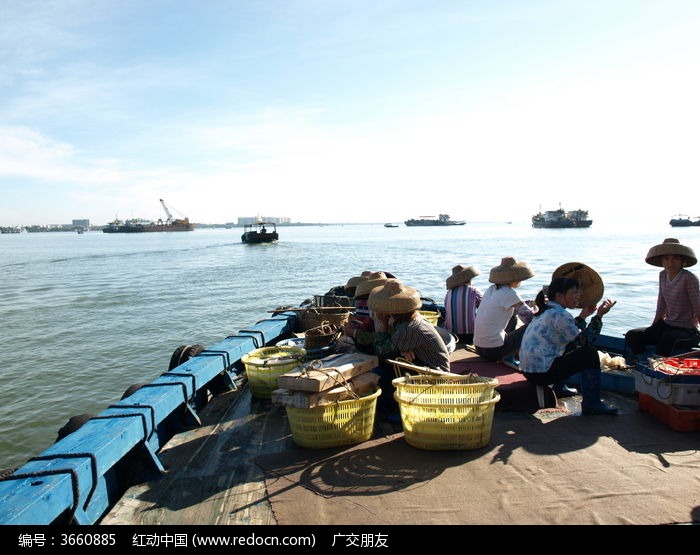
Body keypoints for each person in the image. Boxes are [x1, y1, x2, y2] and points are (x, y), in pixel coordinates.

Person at [519, 277, 618, 415]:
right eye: (574, 292)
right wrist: (599, 316)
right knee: (589, 353)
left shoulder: (547, 311)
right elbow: (585, 341)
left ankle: (559, 388)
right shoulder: (560, 314)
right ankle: (592, 403)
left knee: (569, 347)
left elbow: (571, 336)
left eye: (579, 292)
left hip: (529, 371)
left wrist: (583, 316)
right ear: (559, 296)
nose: (579, 296)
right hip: (541, 373)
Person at [625, 238, 700, 357]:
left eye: (675, 258)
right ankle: (642, 362)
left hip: (687, 330)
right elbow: (661, 305)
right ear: (662, 261)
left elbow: (697, 308)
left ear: (682, 261)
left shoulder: (689, 278)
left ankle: (659, 369)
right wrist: (652, 328)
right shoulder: (663, 275)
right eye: (666, 258)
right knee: (632, 335)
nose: (670, 262)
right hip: (667, 324)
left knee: (667, 338)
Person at [473, 256, 536, 364]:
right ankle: (526, 357)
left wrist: (531, 303)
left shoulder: (491, 289)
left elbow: (513, 304)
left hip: (479, 348)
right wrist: (538, 310)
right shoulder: (509, 293)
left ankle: (510, 354)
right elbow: (529, 318)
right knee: (534, 325)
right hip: (493, 351)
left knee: (512, 317)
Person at [444, 264, 482, 345]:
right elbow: (484, 308)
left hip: (451, 334)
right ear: (469, 279)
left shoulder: (449, 292)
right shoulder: (474, 290)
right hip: (470, 334)